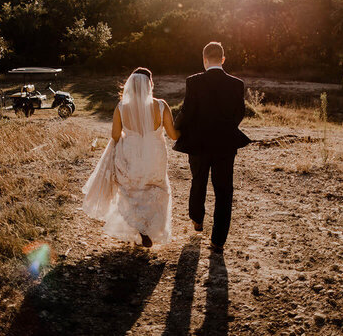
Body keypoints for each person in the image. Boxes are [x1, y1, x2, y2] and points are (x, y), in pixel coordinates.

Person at [82, 67, 179, 247]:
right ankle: (150, 228)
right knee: (157, 189)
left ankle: (141, 229)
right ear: (150, 84)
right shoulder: (161, 106)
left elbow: (115, 135)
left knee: (132, 190)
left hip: (131, 154)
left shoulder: (121, 107)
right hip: (155, 155)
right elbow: (173, 135)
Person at [173, 42, 251, 252]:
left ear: (204, 59)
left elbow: (187, 111)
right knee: (224, 190)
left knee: (198, 181)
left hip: (198, 143)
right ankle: (218, 240)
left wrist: (175, 127)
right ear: (223, 59)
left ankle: (197, 219)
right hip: (225, 144)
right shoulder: (237, 84)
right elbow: (240, 112)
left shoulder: (194, 82)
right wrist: (227, 128)